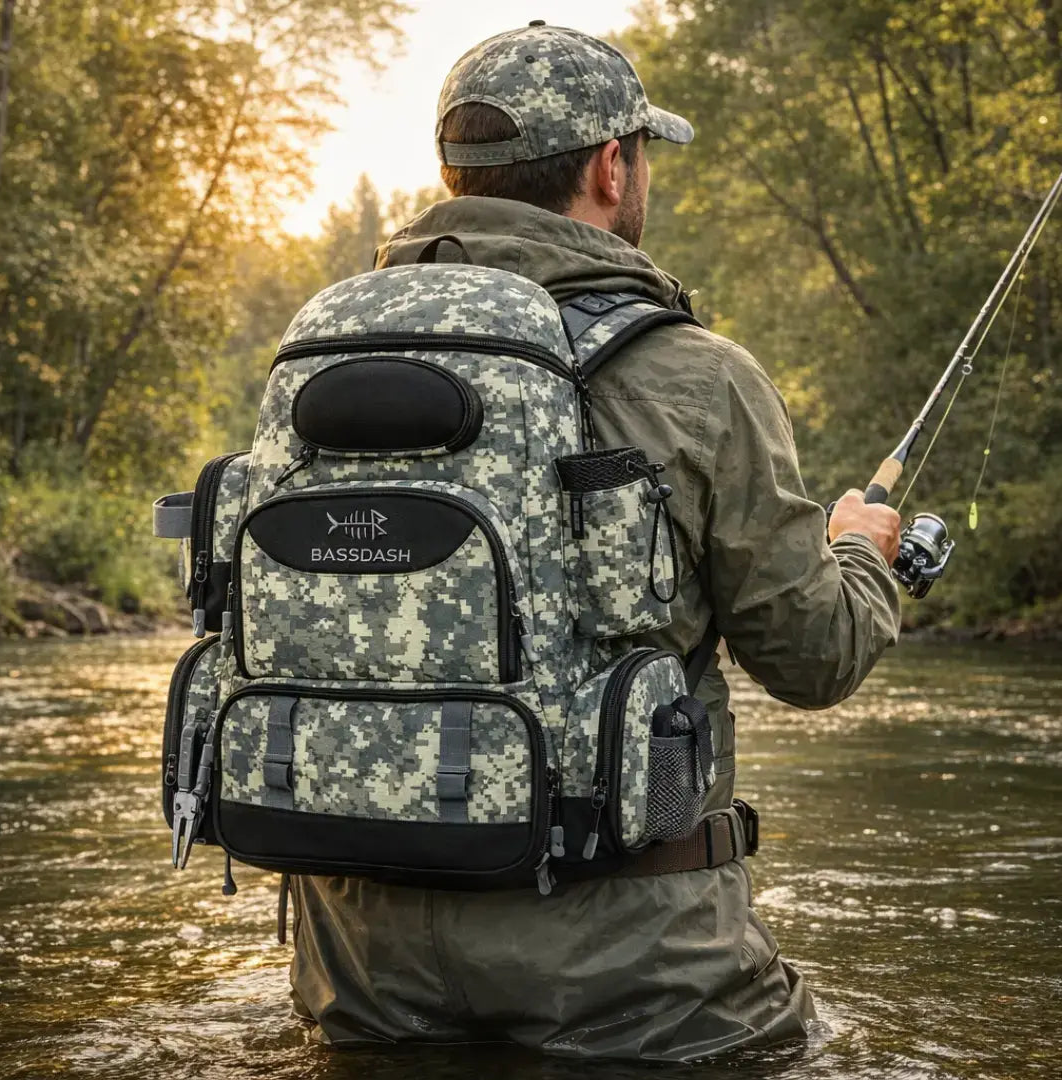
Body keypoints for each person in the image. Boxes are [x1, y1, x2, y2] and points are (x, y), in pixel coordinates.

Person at [287, 21, 902, 1062]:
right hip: (642, 983)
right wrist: (860, 555)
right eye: (643, 152)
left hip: (359, 968)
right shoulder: (699, 376)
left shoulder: (314, 357)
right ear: (612, 165)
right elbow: (815, 657)